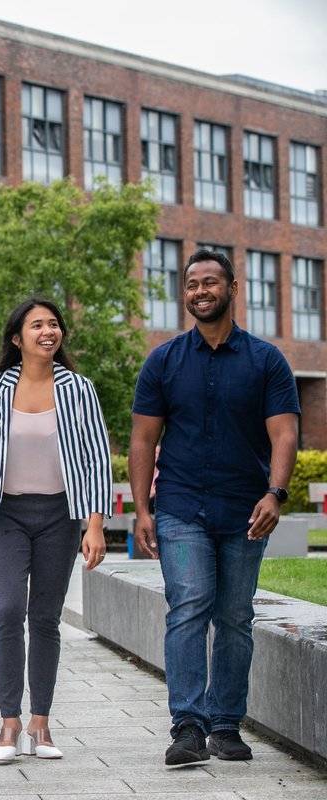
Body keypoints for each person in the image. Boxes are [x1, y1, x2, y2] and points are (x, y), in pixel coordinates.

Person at [129, 249, 299, 766]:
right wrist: (142, 509)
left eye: (210, 282)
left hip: (247, 509)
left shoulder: (266, 360)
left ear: (232, 288)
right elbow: (142, 440)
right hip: (181, 506)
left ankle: (226, 726)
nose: (200, 291)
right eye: (191, 285)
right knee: (189, 604)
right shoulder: (163, 360)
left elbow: (285, 431)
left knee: (234, 616)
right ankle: (187, 724)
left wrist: (276, 492)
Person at [0, 299, 111, 762]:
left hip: (60, 517)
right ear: (17, 338)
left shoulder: (79, 389)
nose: (48, 331)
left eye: (53, 325)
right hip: (3, 514)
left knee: (45, 618)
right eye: (37, 325)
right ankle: (9, 723)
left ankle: (40, 725)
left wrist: (95, 525)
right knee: (7, 610)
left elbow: (96, 457)